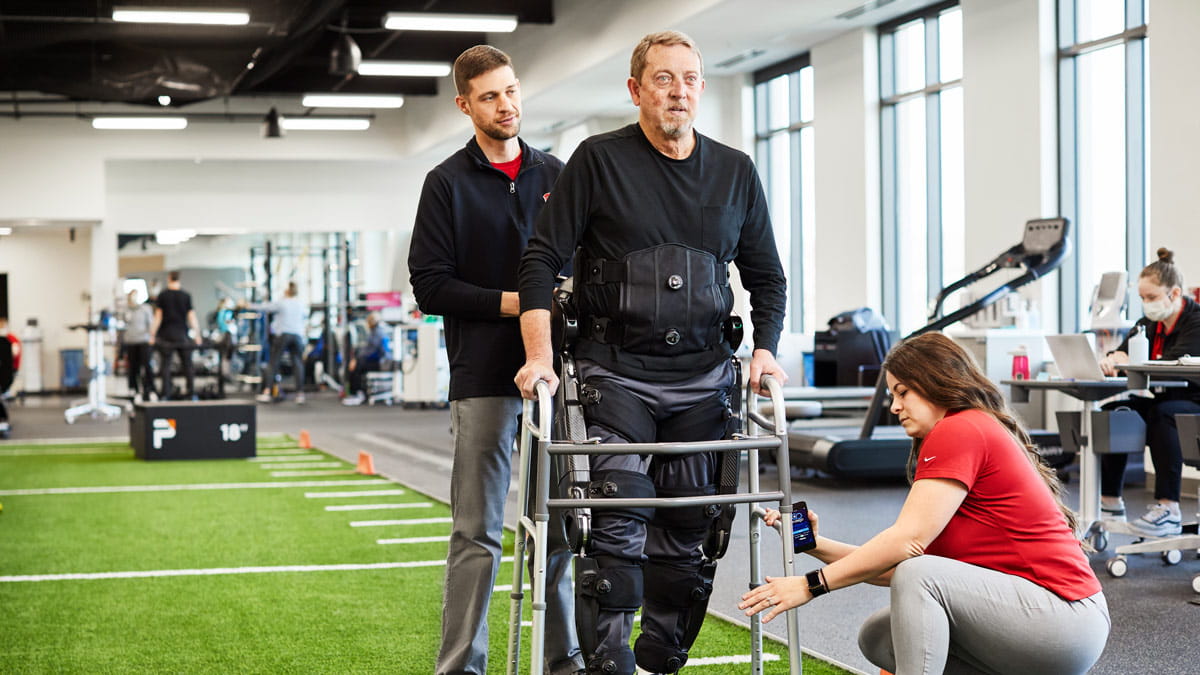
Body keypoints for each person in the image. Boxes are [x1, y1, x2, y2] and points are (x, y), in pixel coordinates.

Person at [515, 31, 788, 675]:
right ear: (636, 90)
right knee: (618, 520)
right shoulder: (597, 161)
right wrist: (539, 356)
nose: (679, 91)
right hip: (616, 374)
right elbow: (541, 260)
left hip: (703, 380)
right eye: (664, 79)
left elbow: (766, 276)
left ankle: (662, 659)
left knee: (690, 531)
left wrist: (767, 351)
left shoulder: (735, 171)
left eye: (690, 78)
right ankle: (608, 664)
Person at [740, 332, 1109, 675]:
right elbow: (896, 567)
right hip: (1038, 617)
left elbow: (908, 549)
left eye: (903, 393)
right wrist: (815, 546)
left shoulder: (960, 428)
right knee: (879, 635)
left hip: (1064, 619)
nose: (895, 407)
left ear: (936, 381)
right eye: (892, 396)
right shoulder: (965, 430)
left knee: (920, 577)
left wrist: (810, 585)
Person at [407, 45, 583, 675]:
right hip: (483, 377)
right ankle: (461, 666)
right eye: (489, 96)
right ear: (465, 105)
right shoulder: (446, 184)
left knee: (562, 531)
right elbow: (431, 286)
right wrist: (519, 303)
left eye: (510, 91)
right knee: (477, 532)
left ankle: (563, 662)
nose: (505, 105)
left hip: (558, 379)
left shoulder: (557, 175)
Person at [1098, 247, 1200, 536]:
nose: (1146, 304)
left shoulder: (1196, 323)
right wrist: (1114, 359)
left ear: (1175, 293)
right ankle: (1110, 502)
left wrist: (1129, 362)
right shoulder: (1148, 325)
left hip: (1192, 402)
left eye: (1152, 298)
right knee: (1115, 413)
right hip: (1164, 400)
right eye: (1142, 298)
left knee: (1165, 413)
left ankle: (1168, 508)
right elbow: (1122, 354)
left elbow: (1175, 366)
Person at [252, 282, 309, 405]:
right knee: (298, 363)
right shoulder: (300, 304)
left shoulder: (282, 302)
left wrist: (247, 305)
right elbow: (305, 317)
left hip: (284, 335)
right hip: (298, 336)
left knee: (274, 362)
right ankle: (300, 394)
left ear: (287, 291)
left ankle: (267, 392)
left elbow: (264, 307)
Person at [150, 270, 202, 400]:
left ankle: (165, 394)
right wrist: (197, 334)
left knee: (166, 365)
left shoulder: (163, 295)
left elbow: (158, 317)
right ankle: (191, 393)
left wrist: (152, 334)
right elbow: (192, 317)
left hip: (166, 335)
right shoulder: (186, 295)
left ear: (169, 278)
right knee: (187, 365)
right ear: (179, 279)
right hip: (182, 335)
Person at [340, 312, 387, 406]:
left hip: (378, 362)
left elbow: (371, 351)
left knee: (356, 367)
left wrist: (356, 360)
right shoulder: (374, 331)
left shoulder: (377, 332)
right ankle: (356, 392)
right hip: (375, 360)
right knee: (356, 365)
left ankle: (357, 393)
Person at [122, 290, 155, 402]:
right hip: (131, 342)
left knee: (147, 366)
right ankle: (133, 389)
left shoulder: (146, 309)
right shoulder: (126, 310)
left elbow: (151, 324)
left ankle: (149, 389)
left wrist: (152, 336)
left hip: (144, 341)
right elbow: (122, 325)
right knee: (132, 367)